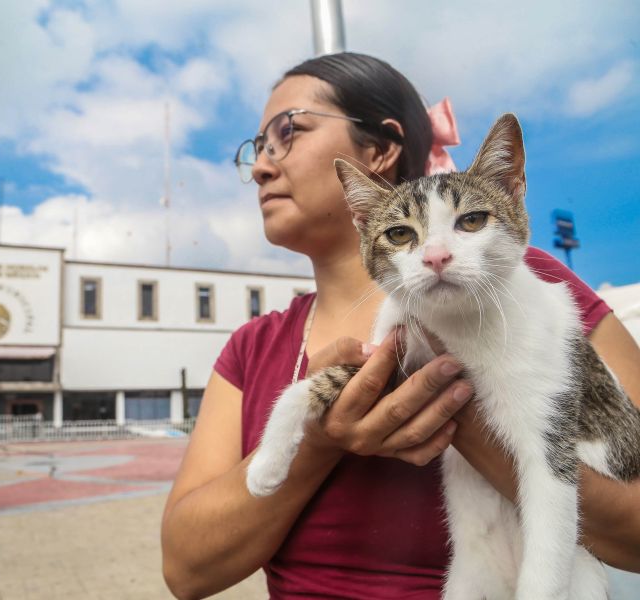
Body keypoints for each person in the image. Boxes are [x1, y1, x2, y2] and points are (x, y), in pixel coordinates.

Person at [161, 52, 640, 599]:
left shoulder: (527, 286)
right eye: (257, 149)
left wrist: (471, 416)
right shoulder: (254, 345)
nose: (263, 166)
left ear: (382, 149)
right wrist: (317, 442)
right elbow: (185, 570)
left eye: (287, 132)